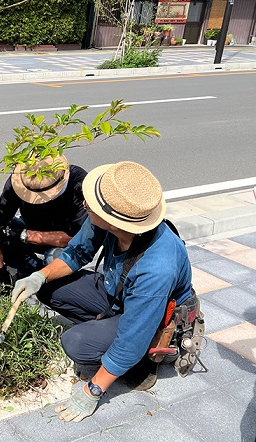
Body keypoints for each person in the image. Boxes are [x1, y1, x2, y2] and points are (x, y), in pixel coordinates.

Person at [11, 161, 194, 422]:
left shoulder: (157, 267)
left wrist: (93, 389)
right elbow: (76, 252)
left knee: (76, 343)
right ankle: (104, 332)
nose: (85, 203)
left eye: (91, 205)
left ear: (114, 222)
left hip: (153, 315)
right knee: (49, 286)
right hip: (116, 293)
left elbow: (132, 337)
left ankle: (142, 363)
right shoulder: (109, 221)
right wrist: (39, 277)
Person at [0, 155, 87, 292]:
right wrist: (0, 272)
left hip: (59, 240)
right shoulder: (20, 181)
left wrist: (24, 235)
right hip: (28, 229)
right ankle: (30, 268)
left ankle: (48, 282)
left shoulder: (78, 183)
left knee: (55, 258)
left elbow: (75, 237)